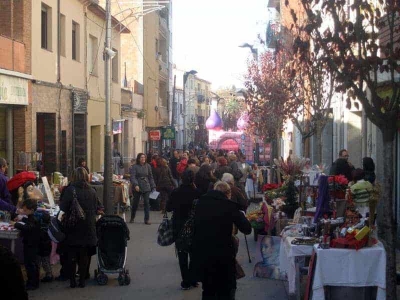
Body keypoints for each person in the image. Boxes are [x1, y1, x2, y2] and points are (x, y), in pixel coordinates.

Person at [192, 181, 252, 299]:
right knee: (226, 290)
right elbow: (247, 229)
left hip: (203, 254)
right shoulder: (229, 206)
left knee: (208, 290)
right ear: (228, 193)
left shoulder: (199, 203)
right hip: (223, 255)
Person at [58, 167, 99, 288]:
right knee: (84, 254)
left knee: (72, 254)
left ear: (74, 177)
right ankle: (82, 280)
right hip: (88, 226)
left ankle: (72, 281)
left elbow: (63, 207)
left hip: (73, 226)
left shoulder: (70, 190)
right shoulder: (92, 190)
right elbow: (97, 207)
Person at [166, 170, 202, 290]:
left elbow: (168, 207)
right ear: (193, 179)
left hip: (179, 225)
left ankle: (185, 280)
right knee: (194, 253)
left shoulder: (176, 192)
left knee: (182, 254)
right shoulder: (197, 192)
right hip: (193, 226)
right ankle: (193, 279)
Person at [11, 198, 41, 290]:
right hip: (32, 243)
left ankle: (32, 283)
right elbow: (29, 223)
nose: (23, 211)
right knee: (32, 264)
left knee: (30, 264)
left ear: (31, 210)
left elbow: (28, 227)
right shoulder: (33, 216)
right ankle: (33, 281)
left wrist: (16, 224)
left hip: (31, 244)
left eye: (25, 210)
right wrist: (22, 219)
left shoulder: (34, 217)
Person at [129, 153, 156, 224]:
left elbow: (150, 177)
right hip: (137, 186)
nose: (143, 158)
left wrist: (153, 186)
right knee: (135, 203)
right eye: (141, 157)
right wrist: (135, 185)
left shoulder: (148, 166)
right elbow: (132, 177)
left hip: (146, 186)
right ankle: (132, 217)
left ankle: (146, 219)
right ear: (138, 159)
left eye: (144, 157)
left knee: (147, 203)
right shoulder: (134, 167)